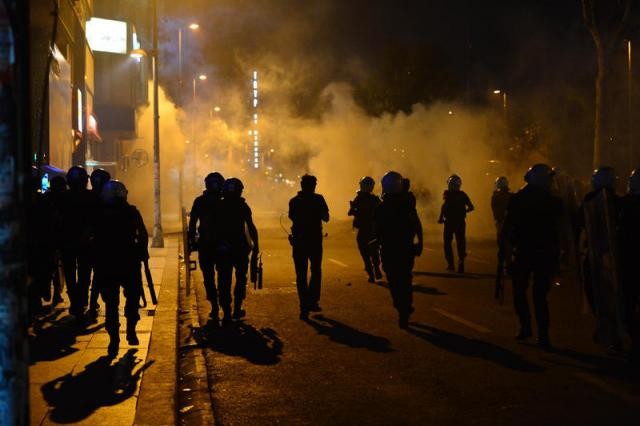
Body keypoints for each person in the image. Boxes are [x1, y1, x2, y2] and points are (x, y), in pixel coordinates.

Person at [501, 164, 562, 347]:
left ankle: (528, 327)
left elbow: (507, 228)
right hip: (536, 252)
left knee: (524, 292)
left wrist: (505, 254)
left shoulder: (522, 199)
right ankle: (539, 333)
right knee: (537, 295)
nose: (550, 181)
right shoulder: (548, 200)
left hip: (529, 252)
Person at [93, 180, 148, 357]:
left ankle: (114, 338)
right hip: (128, 262)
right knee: (131, 298)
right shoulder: (131, 212)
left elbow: (91, 236)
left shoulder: (100, 213)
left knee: (111, 303)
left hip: (108, 263)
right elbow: (143, 234)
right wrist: (142, 252)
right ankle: (130, 330)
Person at [375, 171, 423, 328]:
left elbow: (376, 229)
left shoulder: (384, 206)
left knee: (395, 280)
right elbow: (417, 225)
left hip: (391, 249)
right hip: (404, 248)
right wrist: (419, 243)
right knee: (404, 279)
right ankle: (405, 307)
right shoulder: (405, 204)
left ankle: (402, 308)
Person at [215, 178, 259, 326]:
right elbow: (251, 227)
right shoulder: (242, 206)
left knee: (224, 281)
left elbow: (212, 229)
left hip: (223, 249)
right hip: (240, 248)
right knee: (240, 278)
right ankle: (236, 309)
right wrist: (256, 244)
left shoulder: (219, 206)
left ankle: (227, 312)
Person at [289, 174, 329, 320]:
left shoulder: (294, 201)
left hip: (300, 241)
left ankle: (304, 305)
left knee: (301, 274)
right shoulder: (318, 199)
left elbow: (292, 217)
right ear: (313, 186)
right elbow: (326, 217)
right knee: (315, 270)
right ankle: (312, 301)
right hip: (314, 241)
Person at [60, 166, 96, 321]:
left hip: (69, 242)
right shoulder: (91, 197)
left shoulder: (63, 197)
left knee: (71, 274)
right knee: (83, 274)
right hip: (83, 243)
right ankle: (80, 301)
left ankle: (76, 302)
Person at [189, 172, 225, 322]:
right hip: (220, 245)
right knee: (222, 276)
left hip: (207, 244)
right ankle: (223, 305)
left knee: (210, 277)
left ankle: (216, 305)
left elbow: (192, 224)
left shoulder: (200, 201)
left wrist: (192, 241)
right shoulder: (225, 201)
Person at [619, 168, 640, 365]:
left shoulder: (625, 205)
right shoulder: (624, 204)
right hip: (629, 261)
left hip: (629, 262)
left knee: (629, 303)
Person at [87, 168, 111, 319]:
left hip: (91, 243)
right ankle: (93, 302)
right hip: (102, 244)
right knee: (99, 275)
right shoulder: (108, 199)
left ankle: (91, 302)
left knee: (93, 275)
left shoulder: (87, 197)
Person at [348, 176, 382, 283]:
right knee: (374, 252)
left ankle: (371, 273)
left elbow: (351, 212)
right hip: (373, 230)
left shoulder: (359, 199)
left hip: (364, 230)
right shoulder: (375, 199)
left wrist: (353, 207)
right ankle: (375, 268)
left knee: (365, 253)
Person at [438, 174, 474, 273]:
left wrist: (441, 218)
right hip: (460, 222)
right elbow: (471, 207)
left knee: (447, 243)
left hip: (449, 223)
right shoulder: (462, 195)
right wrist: (463, 212)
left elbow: (444, 207)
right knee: (460, 242)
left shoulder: (447, 194)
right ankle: (461, 261)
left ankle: (451, 264)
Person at [491, 176, 512, 245]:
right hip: (509, 219)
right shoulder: (511, 195)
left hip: (500, 219)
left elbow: (494, 209)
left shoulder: (496, 196)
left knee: (501, 236)